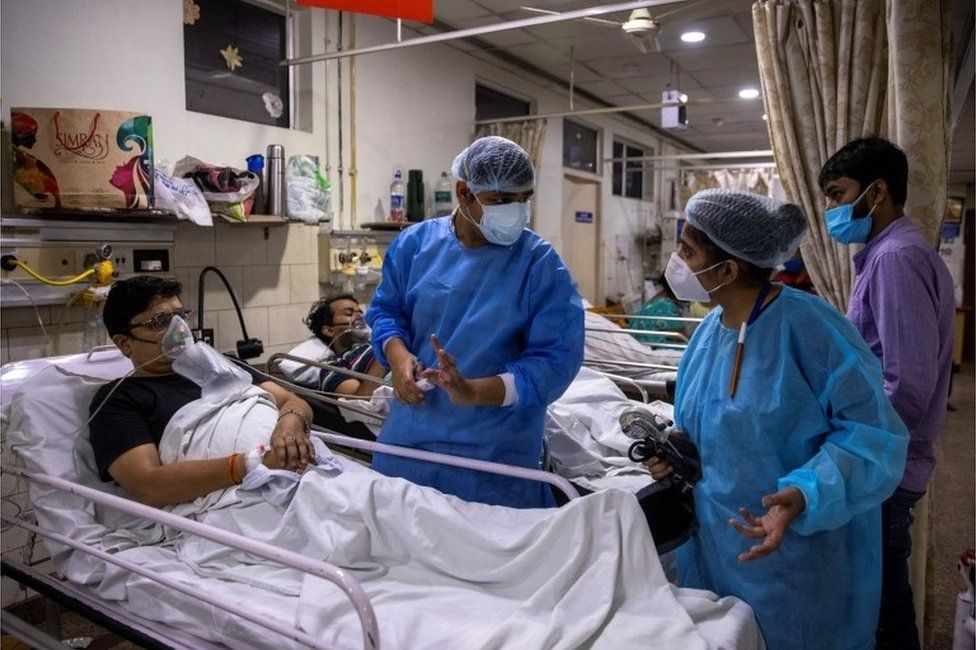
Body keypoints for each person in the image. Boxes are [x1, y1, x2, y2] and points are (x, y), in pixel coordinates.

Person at [644, 189, 908, 650]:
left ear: (727, 269)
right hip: (715, 544)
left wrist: (806, 493)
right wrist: (674, 455)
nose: (676, 262)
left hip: (794, 555)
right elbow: (702, 426)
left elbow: (872, 436)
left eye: (687, 251)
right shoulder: (708, 333)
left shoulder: (812, 330)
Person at [366, 136, 584, 508]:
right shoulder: (414, 245)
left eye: (524, 198)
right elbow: (387, 312)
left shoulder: (538, 263)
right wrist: (399, 358)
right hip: (410, 444)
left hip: (495, 456)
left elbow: (555, 360)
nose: (516, 210)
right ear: (464, 193)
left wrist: (473, 392)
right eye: (501, 200)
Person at [819, 137, 956, 649]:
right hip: (888, 461)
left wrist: (856, 456)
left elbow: (907, 383)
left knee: (882, 610)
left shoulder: (896, 259)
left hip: (887, 468)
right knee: (878, 601)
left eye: (837, 194)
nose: (831, 209)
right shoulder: (886, 255)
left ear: (876, 192)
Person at [89, 276, 316, 506]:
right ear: (124, 343)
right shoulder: (119, 400)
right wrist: (252, 463)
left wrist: (290, 426)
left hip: (301, 464)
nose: (179, 328)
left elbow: (292, 401)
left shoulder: (222, 364)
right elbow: (148, 485)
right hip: (245, 494)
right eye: (160, 320)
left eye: (181, 315)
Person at [631, 276, 684, 345]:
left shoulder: (655, 300)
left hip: (638, 343)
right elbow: (679, 336)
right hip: (653, 347)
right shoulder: (667, 306)